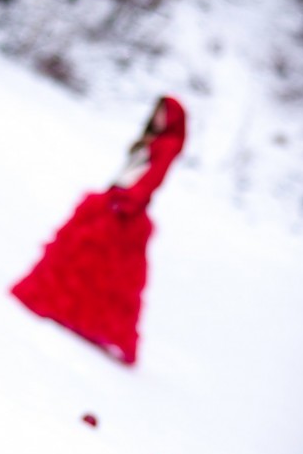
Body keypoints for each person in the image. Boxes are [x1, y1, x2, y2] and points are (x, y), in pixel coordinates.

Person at [10, 96, 187, 365]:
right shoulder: (153, 139)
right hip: (116, 199)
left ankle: (85, 318)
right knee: (87, 259)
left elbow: (152, 180)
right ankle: (65, 309)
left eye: (165, 113)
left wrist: (129, 203)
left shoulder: (168, 144)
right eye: (158, 112)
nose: (159, 117)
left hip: (127, 207)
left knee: (106, 268)